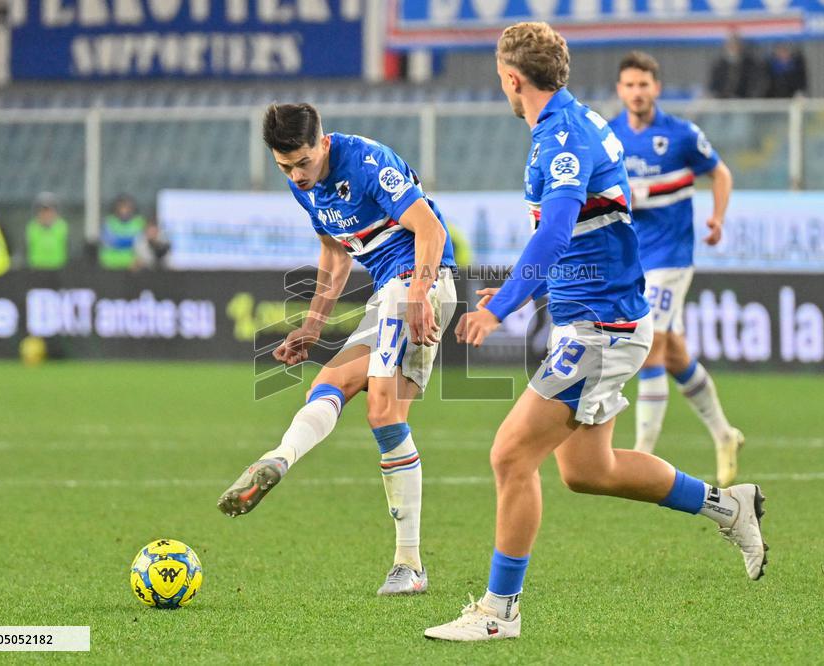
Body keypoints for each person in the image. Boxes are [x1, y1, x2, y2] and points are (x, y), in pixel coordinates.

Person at [424, 22, 767, 642]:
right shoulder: (572, 120)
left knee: (509, 454)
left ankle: (500, 613)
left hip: (600, 329)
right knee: (588, 470)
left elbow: (554, 233)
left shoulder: (562, 137)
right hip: (595, 320)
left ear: (511, 79)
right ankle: (729, 505)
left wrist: (500, 306)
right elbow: (572, 238)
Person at [217, 103, 459, 596]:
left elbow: (431, 229)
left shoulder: (369, 163)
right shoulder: (300, 184)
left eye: (303, 162)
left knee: (381, 410)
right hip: (390, 293)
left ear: (323, 143)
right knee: (332, 384)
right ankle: (279, 458)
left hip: (418, 284)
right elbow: (333, 252)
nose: (297, 175)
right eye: (285, 166)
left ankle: (410, 565)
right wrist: (312, 325)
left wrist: (418, 294)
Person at [609, 52, 744, 486]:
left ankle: (640, 456)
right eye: (629, 85)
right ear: (620, 90)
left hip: (672, 258)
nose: (637, 92)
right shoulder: (610, 137)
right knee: (674, 353)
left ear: (657, 88)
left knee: (650, 344)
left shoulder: (681, 135)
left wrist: (718, 218)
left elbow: (721, 174)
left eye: (644, 84)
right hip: (633, 260)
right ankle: (725, 434)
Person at [708, 32, 765, 99]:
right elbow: (713, 86)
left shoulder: (751, 64)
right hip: (722, 104)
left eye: (736, 45)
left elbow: (757, 85)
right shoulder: (719, 65)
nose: (733, 48)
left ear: (741, 46)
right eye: (730, 45)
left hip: (744, 103)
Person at [99, 194, 145, 269]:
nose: (124, 211)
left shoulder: (139, 222)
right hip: (110, 263)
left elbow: (142, 243)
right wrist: (130, 240)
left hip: (133, 264)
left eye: (127, 208)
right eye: (122, 207)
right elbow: (110, 242)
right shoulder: (109, 222)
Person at [25, 192, 69, 270]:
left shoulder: (62, 227)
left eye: (49, 211)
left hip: (58, 270)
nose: (46, 214)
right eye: (43, 211)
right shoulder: (32, 228)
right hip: (36, 270)